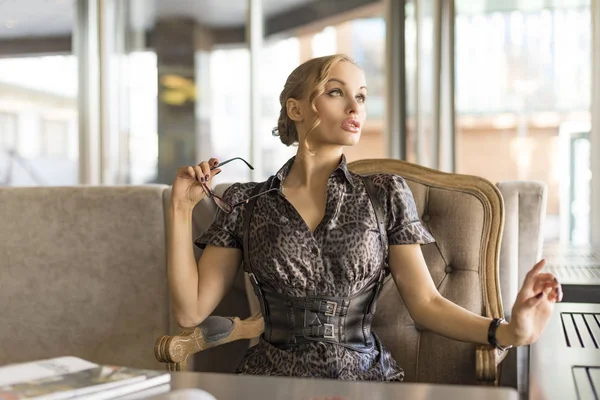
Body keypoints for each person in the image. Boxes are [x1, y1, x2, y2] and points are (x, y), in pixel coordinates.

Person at [167, 54, 562, 381]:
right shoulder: (246, 202)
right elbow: (190, 311)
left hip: (364, 383)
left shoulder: (384, 193)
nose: (355, 107)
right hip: (269, 383)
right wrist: (180, 210)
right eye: (336, 93)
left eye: (361, 96)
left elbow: (426, 303)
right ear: (297, 108)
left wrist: (507, 331)